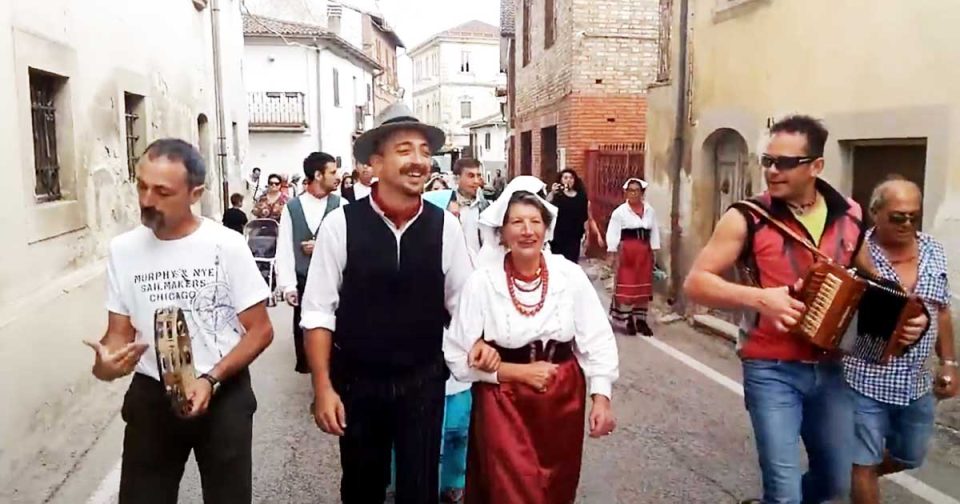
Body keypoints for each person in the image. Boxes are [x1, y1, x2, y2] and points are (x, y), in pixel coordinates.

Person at [683, 115, 927, 504]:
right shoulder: (746, 217)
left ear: (816, 166)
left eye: (785, 163)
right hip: (771, 368)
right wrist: (760, 298)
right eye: (767, 161)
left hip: (831, 369)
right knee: (784, 491)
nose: (772, 171)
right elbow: (696, 282)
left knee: (834, 483)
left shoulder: (850, 214)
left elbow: (873, 280)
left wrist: (906, 322)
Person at [300, 103, 477, 504]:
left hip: (423, 381)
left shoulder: (444, 227)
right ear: (375, 163)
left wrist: (474, 360)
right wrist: (323, 387)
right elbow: (318, 312)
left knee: (419, 490)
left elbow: (465, 307)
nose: (418, 161)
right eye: (404, 150)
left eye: (424, 151)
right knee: (362, 489)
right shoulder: (341, 225)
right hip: (358, 382)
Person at [83, 139, 273, 504]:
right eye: (141, 186)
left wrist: (211, 379)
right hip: (152, 397)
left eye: (162, 191)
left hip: (222, 393)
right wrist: (106, 364)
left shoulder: (226, 245)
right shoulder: (123, 250)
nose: (147, 200)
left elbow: (261, 330)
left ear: (194, 193)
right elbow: (118, 336)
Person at [444, 187, 619, 503]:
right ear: (502, 232)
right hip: (503, 401)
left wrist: (601, 396)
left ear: (546, 227)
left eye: (535, 221)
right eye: (517, 222)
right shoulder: (483, 282)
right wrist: (511, 372)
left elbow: (597, 337)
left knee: (556, 489)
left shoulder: (569, 276)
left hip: (562, 399)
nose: (527, 231)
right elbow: (457, 355)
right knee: (512, 490)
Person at [844, 179, 956, 504]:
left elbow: (943, 311)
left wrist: (950, 363)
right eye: (898, 217)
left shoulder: (933, 249)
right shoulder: (855, 254)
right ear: (875, 212)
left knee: (910, 455)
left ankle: (854, 474)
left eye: (914, 216)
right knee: (862, 461)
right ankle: (858, 474)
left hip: (917, 384)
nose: (907, 224)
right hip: (863, 381)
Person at [276, 152, 346, 374]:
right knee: (307, 333)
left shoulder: (341, 204)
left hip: (337, 282)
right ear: (318, 175)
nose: (338, 176)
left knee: (336, 335)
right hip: (304, 280)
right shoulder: (293, 207)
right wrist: (287, 285)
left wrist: (322, 246)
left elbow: (349, 244)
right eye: (333, 172)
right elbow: (285, 246)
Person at [605, 178, 661, 336]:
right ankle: (627, 318)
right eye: (630, 190)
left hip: (644, 252)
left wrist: (654, 249)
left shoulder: (650, 210)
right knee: (627, 285)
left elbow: (654, 231)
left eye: (636, 190)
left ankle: (641, 320)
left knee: (643, 286)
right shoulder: (620, 212)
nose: (633, 193)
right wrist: (612, 250)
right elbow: (613, 233)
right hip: (628, 251)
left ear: (642, 193)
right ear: (626, 193)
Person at [452, 158, 490, 265]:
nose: (476, 181)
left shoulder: (486, 207)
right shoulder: (446, 205)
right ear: (457, 179)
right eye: (471, 176)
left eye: (478, 175)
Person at [547, 169, 590, 263]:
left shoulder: (581, 196)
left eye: (571, 178)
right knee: (557, 262)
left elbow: (585, 217)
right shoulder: (557, 195)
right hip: (558, 235)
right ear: (561, 180)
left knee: (572, 262)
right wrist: (552, 193)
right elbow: (546, 206)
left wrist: (587, 235)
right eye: (565, 178)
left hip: (574, 236)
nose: (568, 180)